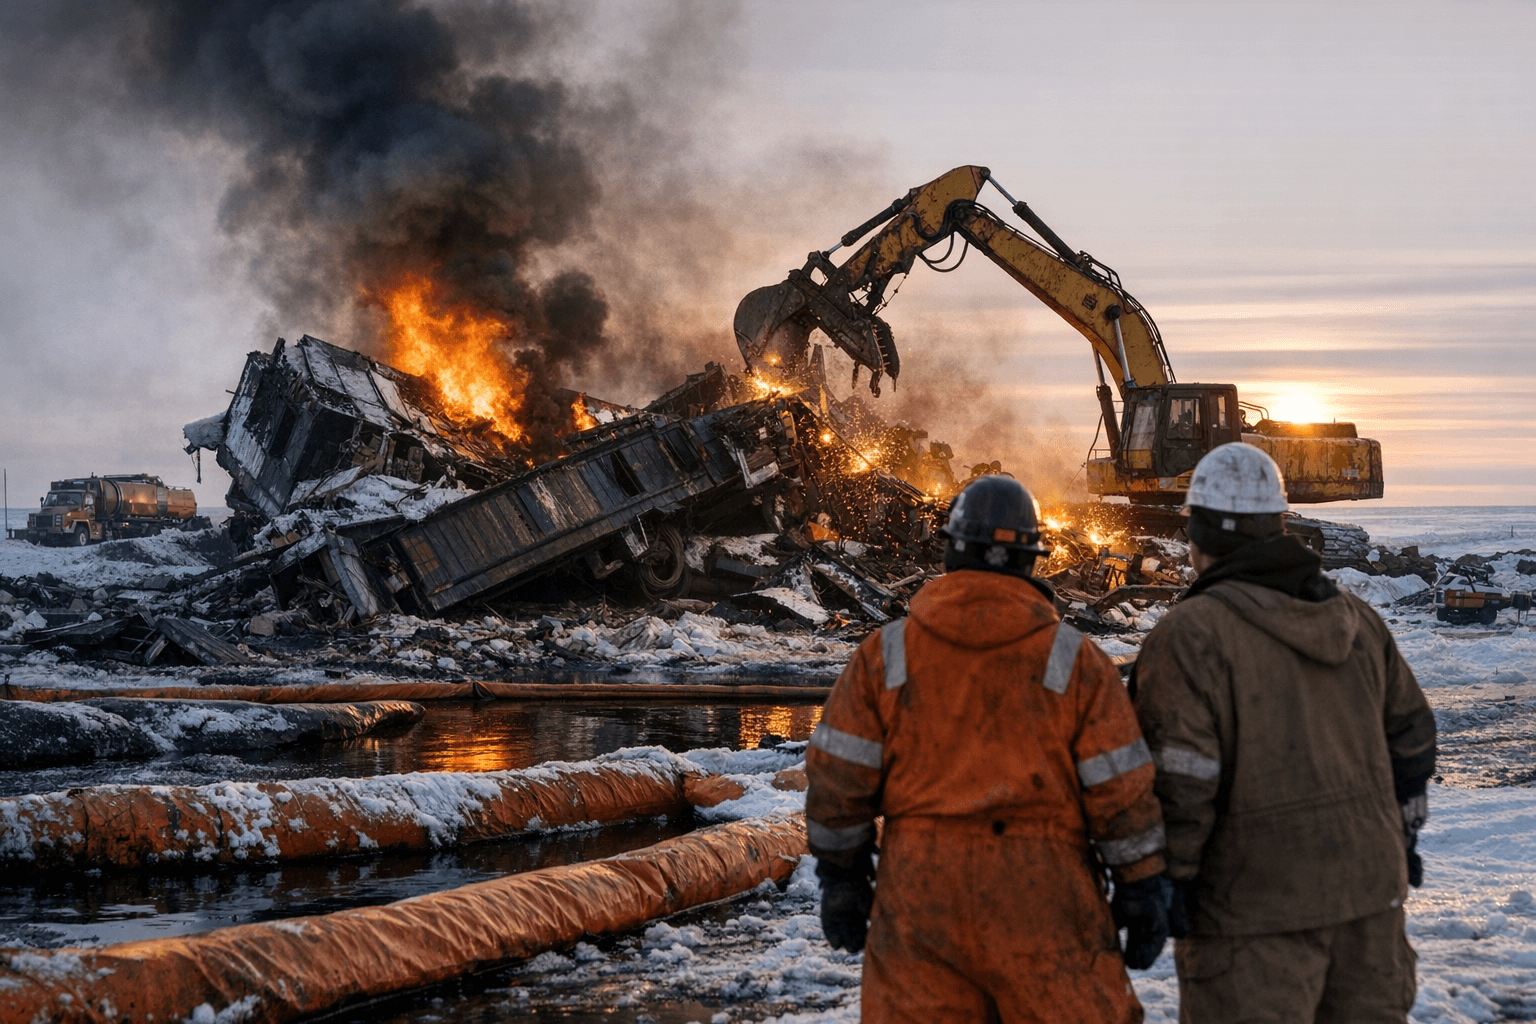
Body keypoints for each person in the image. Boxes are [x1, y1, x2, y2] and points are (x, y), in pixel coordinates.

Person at [805, 475, 1171, 1024]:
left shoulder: (887, 653)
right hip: (1044, 896)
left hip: (921, 894)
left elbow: (837, 779)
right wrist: (1141, 886)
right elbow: (1121, 790)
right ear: (1031, 561)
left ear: (952, 551)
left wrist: (842, 878)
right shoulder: (1076, 661)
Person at [1133, 442, 1437, 1023]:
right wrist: (1401, 838)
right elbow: (1414, 740)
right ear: (1280, 525)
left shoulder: (1191, 635)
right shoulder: (1357, 619)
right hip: (1369, 904)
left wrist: (1162, 882)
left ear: (1199, 531)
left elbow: (1180, 782)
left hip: (1252, 919)